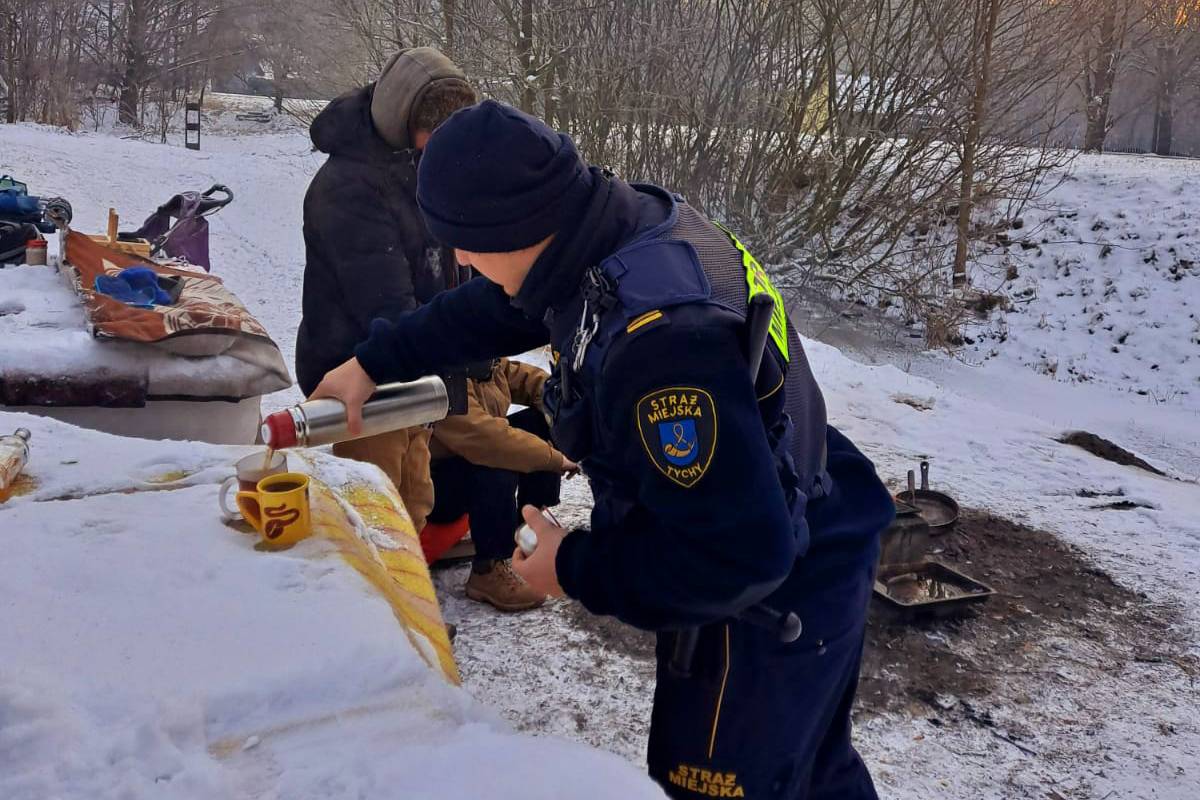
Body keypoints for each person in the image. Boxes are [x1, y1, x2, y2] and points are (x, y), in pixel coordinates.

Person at [312, 101, 895, 800]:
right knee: (813, 771)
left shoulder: (665, 347)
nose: (460, 259)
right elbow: (494, 308)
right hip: (804, 497)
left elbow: (739, 557)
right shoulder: (611, 230)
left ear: (515, 226)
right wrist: (373, 361)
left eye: (464, 241)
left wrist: (574, 568)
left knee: (725, 781)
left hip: (773, 587)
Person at [294, 47, 476, 533]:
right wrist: (458, 343)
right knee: (372, 518)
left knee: (414, 501)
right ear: (402, 120)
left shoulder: (422, 165)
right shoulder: (347, 188)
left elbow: (457, 256)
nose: (444, 148)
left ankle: (404, 600)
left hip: (412, 370)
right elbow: (387, 306)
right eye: (434, 135)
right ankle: (367, 607)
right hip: (360, 379)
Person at [427, 357, 578, 611]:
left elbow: (523, 378)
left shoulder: (482, 362)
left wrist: (562, 399)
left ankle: (529, 527)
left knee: (542, 421)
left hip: (468, 464)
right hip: (435, 490)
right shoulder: (441, 376)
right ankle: (489, 568)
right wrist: (557, 459)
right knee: (498, 460)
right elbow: (488, 440)